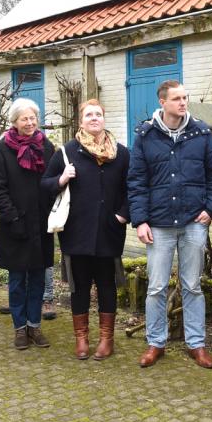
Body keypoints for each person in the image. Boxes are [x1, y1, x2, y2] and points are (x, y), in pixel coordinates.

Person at [127, 80, 212, 369]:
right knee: (156, 287)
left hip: (193, 222)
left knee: (193, 286)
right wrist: (140, 220)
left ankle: (196, 344)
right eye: (177, 98)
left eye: (185, 97)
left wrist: (211, 209)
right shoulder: (146, 136)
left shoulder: (201, 132)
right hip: (158, 224)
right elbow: (136, 181)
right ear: (163, 102)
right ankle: (155, 343)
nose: (183, 103)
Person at [41, 99, 130, 360]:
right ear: (81, 121)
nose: (94, 118)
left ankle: (106, 340)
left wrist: (123, 216)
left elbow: (133, 188)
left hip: (109, 231)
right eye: (89, 115)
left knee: (106, 286)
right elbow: (44, 185)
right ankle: (81, 340)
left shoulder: (121, 153)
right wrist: (61, 178)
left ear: (104, 119)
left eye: (98, 114)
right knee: (79, 288)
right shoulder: (67, 152)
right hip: (76, 232)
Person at [0, 97, 54, 351]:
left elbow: (52, 181)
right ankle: (19, 328)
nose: (30, 122)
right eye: (24, 118)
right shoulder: (3, 148)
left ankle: (34, 325)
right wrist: (12, 216)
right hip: (15, 224)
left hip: (40, 225)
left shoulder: (46, 146)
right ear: (14, 122)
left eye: (33, 118)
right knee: (17, 280)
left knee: (38, 277)